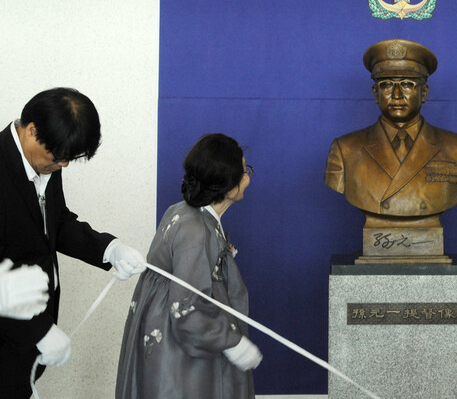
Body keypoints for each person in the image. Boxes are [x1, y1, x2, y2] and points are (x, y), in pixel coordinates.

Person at [0, 87, 145, 398]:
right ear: (32, 131)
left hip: (24, 350)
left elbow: (57, 223)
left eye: (69, 159)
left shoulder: (46, 161)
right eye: (57, 158)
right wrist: (36, 330)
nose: (63, 166)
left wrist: (108, 248)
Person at [116, 133, 262, 399]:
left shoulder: (179, 212)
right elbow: (187, 310)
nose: (248, 178)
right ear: (229, 188)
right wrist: (232, 343)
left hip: (172, 344)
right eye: (245, 171)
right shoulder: (194, 230)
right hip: (181, 359)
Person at [325, 39, 457, 260]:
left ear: (424, 92)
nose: (397, 95)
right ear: (375, 93)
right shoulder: (345, 150)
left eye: (407, 84)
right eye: (387, 84)